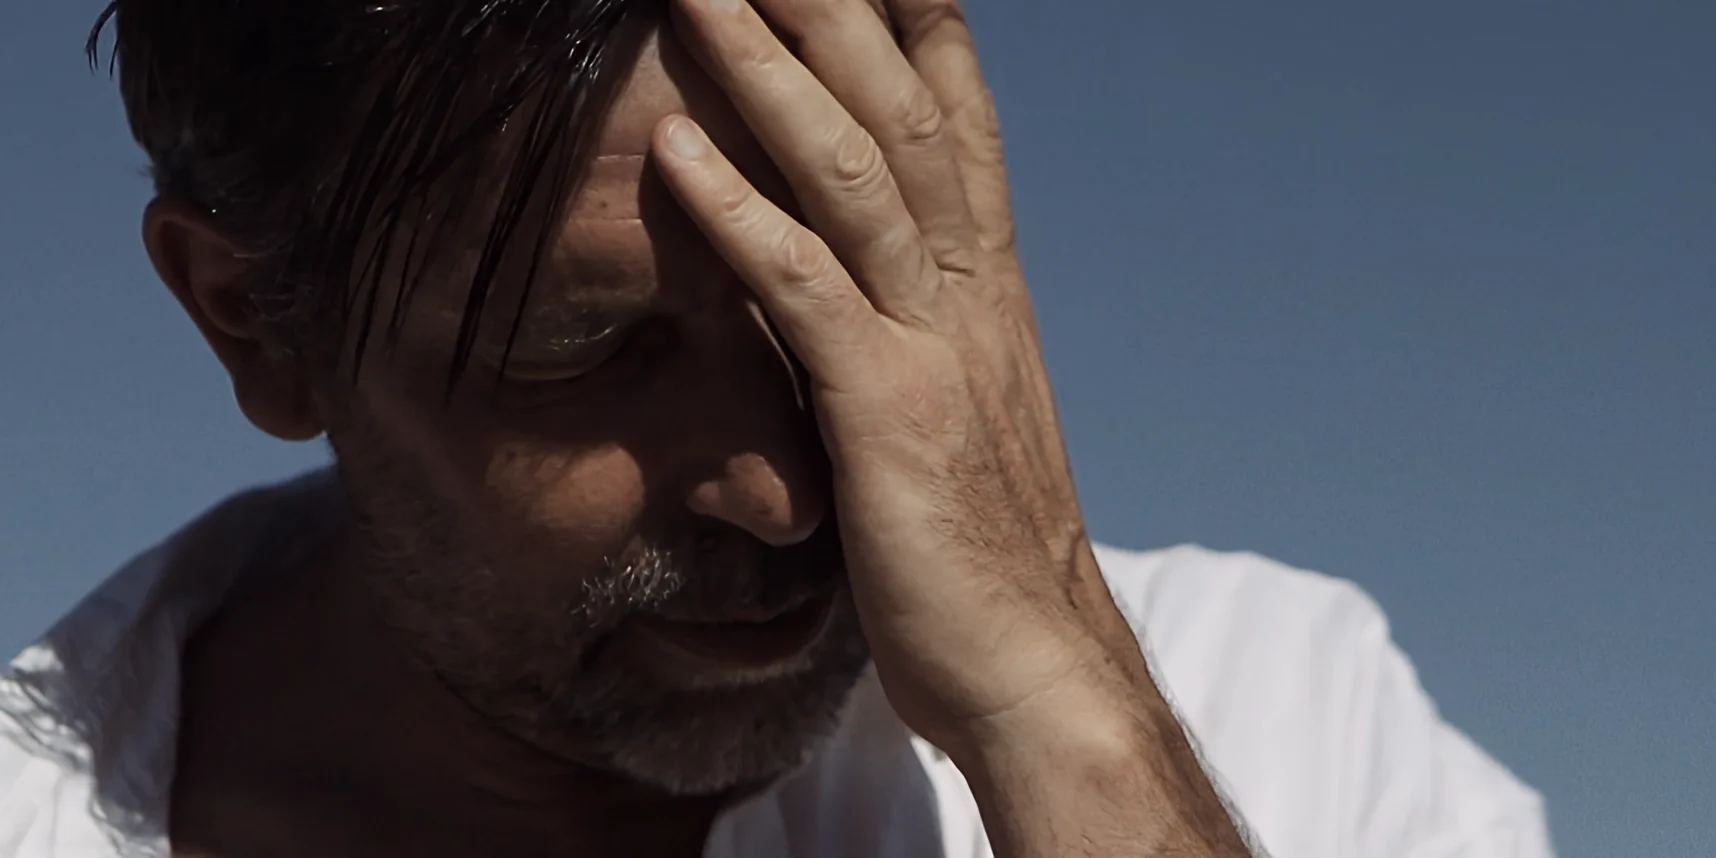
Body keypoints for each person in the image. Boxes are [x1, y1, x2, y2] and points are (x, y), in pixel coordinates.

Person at [0, 0, 1555, 855]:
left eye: (846, 312)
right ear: (250, 318)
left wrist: (1065, 723)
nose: (783, 491)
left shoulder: (1285, 718)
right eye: (588, 350)